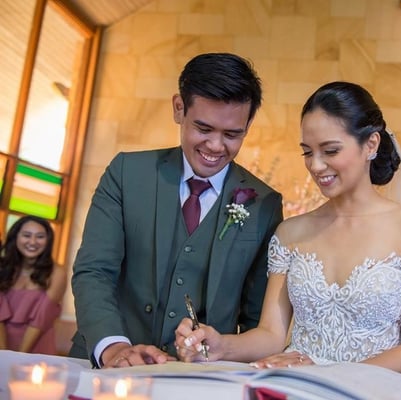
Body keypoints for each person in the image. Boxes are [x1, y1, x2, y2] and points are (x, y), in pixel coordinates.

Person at [175, 81, 401, 399]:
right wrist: (221, 345)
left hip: (378, 391)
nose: (316, 166)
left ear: (371, 144)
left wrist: (328, 375)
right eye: (308, 152)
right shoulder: (291, 233)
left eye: (330, 151)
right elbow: (271, 334)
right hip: (301, 391)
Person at [69, 52, 284, 368]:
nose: (215, 146)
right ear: (179, 108)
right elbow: (94, 271)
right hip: (107, 369)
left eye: (231, 134)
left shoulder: (264, 203)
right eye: (203, 128)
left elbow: (257, 319)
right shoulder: (127, 173)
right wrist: (113, 348)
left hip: (202, 378)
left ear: (248, 125)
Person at [0, 215, 66, 354]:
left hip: (37, 346)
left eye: (40, 237)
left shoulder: (57, 273)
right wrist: (4, 353)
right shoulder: (3, 268)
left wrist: (20, 355)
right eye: (27, 235)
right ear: (15, 237)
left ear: (48, 241)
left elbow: (41, 319)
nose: (33, 241)